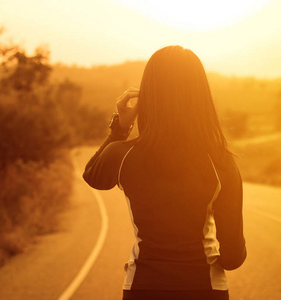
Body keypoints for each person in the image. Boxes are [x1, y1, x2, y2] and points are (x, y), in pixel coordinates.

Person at [83, 45, 246, 300]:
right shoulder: (221, 161)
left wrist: (120, 127)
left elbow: (93, 176)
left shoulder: (123, 154)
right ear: (201, 96)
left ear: (148, 95)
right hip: (206, 289)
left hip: (143, 287)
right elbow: (234, 257)